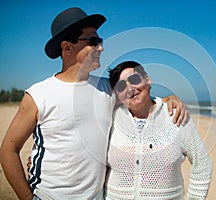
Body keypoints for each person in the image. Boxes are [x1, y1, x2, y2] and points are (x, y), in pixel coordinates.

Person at [0, 7, 189, 200]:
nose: (101, 47)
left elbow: (140, 99)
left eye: (100, 40)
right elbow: (9, 150)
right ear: (67, 47)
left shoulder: (108, 89)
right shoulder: (39, 95)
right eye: (93, 41)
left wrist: (167, 99)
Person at [105, 61, 212, 200]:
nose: (130, 89)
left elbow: (202, 163)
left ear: (147, 80)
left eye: (135, 80)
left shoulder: (175, 116)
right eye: (121, 86)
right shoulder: (110, 118)